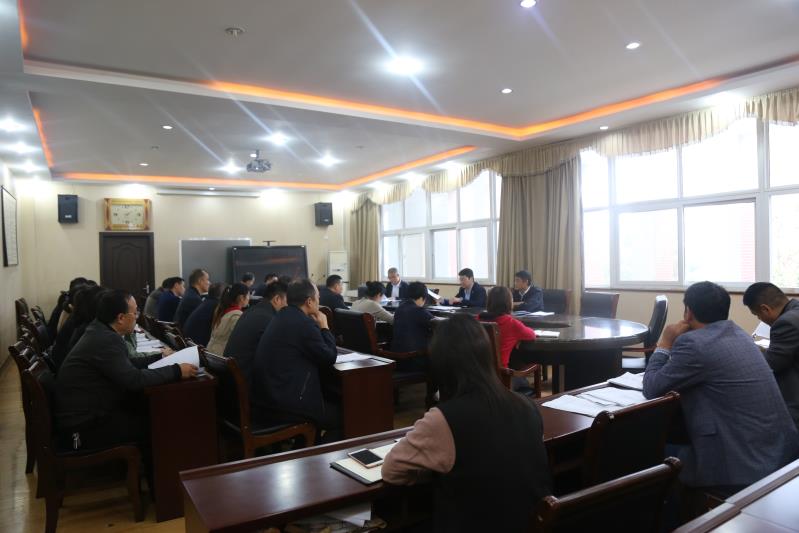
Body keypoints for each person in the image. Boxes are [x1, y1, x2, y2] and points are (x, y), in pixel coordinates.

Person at [382, 314, 551, 532]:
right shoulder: (528, 405)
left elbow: (391, 470)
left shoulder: (443, 419)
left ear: (440, 363)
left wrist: (433, 468)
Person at [643, 281, 799, 493]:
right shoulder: (740, 334)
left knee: (654, 449)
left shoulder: (693, 343)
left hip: (743, 466)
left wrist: (665, 344)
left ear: (688, 313)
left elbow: (652, 388)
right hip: (780, 453)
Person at [54, 290, 197, 456]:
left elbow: (127, 365)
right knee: (157, 423)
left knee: (148, 410)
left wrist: (159, 357)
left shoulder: (100, 330)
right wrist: (177, 370)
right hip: (83, 427)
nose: (137, 316)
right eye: (135, 313)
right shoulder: (106, 339)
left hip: (89, 415)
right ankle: (157, 471)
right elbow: (134, 380)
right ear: (121, 318)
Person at [252, 279, 341, 440]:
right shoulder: (303, 323)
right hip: (286, 405)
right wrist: (324, 327)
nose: (319, 301)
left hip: (268, 398)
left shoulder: (281, 315)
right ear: (309, 301)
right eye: (318, 298)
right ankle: (314, 453)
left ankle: (305, 445)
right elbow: (329, 357)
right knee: (344, 417)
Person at [743, 282, 799, 429]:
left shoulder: (786, 323)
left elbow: (770, 365)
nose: (760, 319)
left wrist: (747, 349)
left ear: (765, 309)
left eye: (757, 315)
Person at [224, 281, 288, 387]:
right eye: (287, 301)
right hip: (246, 384)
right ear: (277, 299)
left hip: (231, 380)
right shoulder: (270, 319)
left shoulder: (251, 311)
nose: (288, 306)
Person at [478, 286, 536, 392]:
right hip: (501, 379)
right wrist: (517, 338)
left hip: (478, 378)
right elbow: (532, 335)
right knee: (524, 381)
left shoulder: (477, 320)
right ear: (509, 303)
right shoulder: (511, 323)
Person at [206, 283, 250, 355]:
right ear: (242, 298)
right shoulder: (237, 316)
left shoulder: (223, 311)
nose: (249, 298)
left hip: (210, 354)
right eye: (248, 295)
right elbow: (241, 341)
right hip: (220, 357)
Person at [392, 281, 435, 353]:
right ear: (422, 298)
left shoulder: (399, 308)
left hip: (396, 351)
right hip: (414, 353)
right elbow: (435, 323)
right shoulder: (419, 310)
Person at [182, 282, 226, 347]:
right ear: (223, 295)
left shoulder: (206, 302)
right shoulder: (217, 306)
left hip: (189, 343)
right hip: (198, 347)